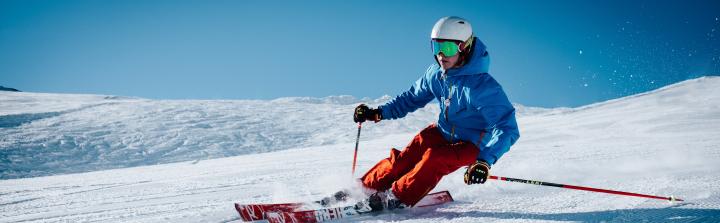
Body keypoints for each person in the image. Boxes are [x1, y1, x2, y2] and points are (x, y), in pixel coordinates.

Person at [353, 16, 520, 211]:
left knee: (435, 158)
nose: (441, 55)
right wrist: (378, 113)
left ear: (463, 47)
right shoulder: (436, 74)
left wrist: (484, 161)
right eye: (435, 47)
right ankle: (363, 188)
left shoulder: (482, 87)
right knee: (403, 160)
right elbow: (411, 98)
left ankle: (396, 197)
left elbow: (506, 127)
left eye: (447, 48)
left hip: (472, 144)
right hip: (442, 132)